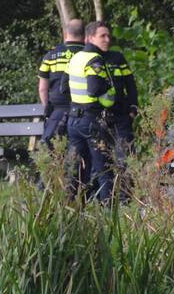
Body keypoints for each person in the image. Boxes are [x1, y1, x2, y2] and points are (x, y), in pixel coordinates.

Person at [66, 21, 129, 203]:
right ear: (90, 37)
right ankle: (109, 213)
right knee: (103, 169)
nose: (107, 39)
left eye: (109, 36)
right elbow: (94, 89)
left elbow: (64, 87)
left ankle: (71, 208)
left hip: (74, 120)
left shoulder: (76, 57)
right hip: (90, 120)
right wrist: (109, 90)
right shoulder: (95, 59)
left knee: (76, 169)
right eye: (103, 35)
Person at [37, 19, 86, 146]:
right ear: (85, 35)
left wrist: (47, 109)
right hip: (84, 112)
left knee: (55, 150)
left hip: (57, 112)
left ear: (65, 33)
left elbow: (42, 89)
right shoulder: (89, 54)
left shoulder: (50, 55)